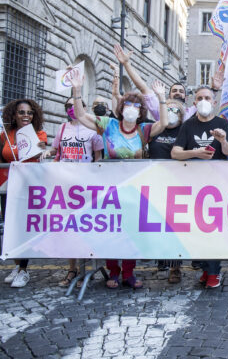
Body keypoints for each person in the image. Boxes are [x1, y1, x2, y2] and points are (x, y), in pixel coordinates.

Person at [71, 68, 167, 289]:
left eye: (136, 106)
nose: (131, 109)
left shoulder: (144, 130)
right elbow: (81, 116)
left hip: (133, 190)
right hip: (108, 189)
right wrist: (77, 91)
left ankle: (129, 273)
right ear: (121, 108)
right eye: (128, 105)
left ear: (140, 111)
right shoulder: (109, 125)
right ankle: (113, 272)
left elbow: (163, 124)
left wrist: (161, 98)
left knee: (131, 231)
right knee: (111, 231)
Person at [171, 85, 228, 289]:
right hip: (193, 185)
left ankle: (214, 272)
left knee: (214, 230)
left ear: (214, 102)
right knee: (199, 229)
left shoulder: (222, 123)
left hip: (217, 185)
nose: (204, 101)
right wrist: (195, 153)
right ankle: (206, 268)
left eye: (208, 97)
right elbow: (176, 152)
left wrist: (223, 140)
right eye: (200, 98)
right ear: (194, 102)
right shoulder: (188, 125)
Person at [41, 97, 103, 287]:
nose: (71, 108)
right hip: (64, 183)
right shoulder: (61, 128)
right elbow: (55, 149)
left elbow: (98, 157)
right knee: (67, 227)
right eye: (67, 106)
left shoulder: (93, 129)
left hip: (84, 185)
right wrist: (46, 153)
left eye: (74, 105)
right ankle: (72, 268)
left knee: (84, 225)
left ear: (83, 107)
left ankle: (87, 267)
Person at [1, 99, 47, 288]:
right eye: (21, 112)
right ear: (14, 115)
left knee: (24, 228)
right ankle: (17, 264)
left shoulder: (39, 134)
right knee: (10, 228)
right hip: (7, 187)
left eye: (29, 112)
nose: (26, 116)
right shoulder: (5, 135)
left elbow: (39, 150)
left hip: (28, 187)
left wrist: (44, 151)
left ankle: (23, 270)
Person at [113, 44, 223, 121]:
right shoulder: (160, 108)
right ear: (169, 95)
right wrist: (126, 64)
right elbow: (143, 88)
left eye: (181, 91)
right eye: (174, 90)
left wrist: (214, 89)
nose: (178, 93)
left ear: (186, 98)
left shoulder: (190, 112)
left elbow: (206, 101)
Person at [148, 96, 186, 283]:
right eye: (168, 109)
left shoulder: (184, 131)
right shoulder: (156, 129)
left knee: (174, 227)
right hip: (155, 182)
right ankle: (161, 259)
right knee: (157, 224)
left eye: (175, 110)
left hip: (176, 184)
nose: (171, 113)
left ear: (181, 115)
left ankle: (175, 268)